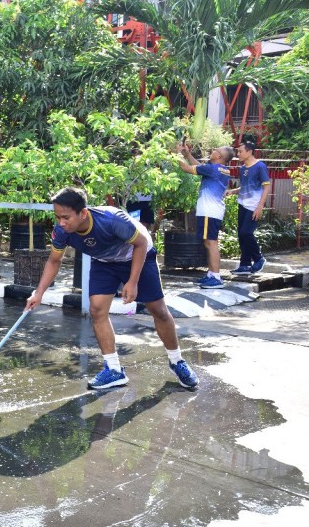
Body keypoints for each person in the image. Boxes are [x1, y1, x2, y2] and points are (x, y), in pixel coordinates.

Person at [25, 187, 198, 391]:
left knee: (158, 309)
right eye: (57, 217)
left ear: (83, 213)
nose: (61, 222)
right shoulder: (62, 231)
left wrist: (132, 282)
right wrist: (40, 292)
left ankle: (177, 361)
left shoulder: (111, 219)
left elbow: (141, 244)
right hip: (104, 262)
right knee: (97, 309)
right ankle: (114, 369)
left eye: (65, 217)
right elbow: (54, 261)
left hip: (137, 254)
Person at [177, 140, 234, 289]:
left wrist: (176, 154)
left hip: (209, 211)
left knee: (211, 243)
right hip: (211, 211)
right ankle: (211, 274)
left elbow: (187, 168)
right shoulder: (219, 169)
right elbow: (199, 167)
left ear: (220, 156)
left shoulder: (213, 169)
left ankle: (215, 276)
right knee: (208, 242)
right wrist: (187, 154)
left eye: (216, 150)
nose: (213, 151)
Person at [227, 137, 271, 275]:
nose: (237, 154)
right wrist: (233, 191)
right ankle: (245, 265)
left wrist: (260, 207)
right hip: (242, 205)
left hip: (253, 206)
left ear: (249, 152)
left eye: (240, 151)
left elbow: (267, 187)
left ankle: (259, 258)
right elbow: (245, 187)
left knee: (246, 232)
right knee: (241, 235)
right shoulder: (242, 168)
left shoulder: (260, 166)